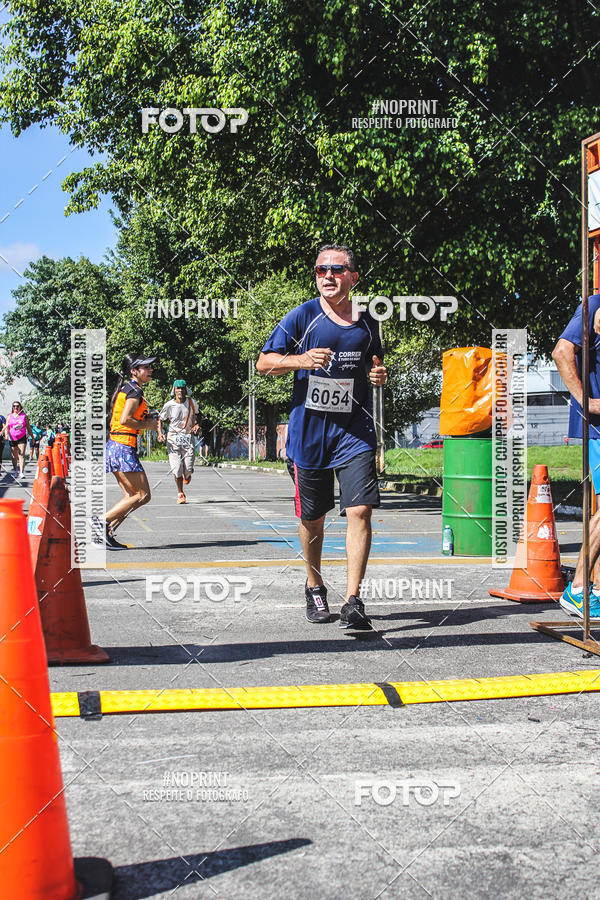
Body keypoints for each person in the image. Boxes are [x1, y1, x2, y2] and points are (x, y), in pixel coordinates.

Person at [256, 243, 387, 627]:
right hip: (310, 433)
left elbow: (374, 365)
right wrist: (300, 359)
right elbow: (264, 363)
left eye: (337, 269)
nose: (328, 275)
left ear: (353, 277)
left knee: (360, 510)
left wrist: (379, 375)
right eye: (320, 269)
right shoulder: (302, 316)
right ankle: (314, 586)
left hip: (354, 431)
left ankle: (353, 600)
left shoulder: (368, 321)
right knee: (313, 520)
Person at [553, 297, 600, 617]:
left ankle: (593, 591)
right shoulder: (594, 306)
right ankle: (579, 589)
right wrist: (586, 401)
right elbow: (561, 352)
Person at [95, 353, 158, 550]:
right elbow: (125, 419)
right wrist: (147, 425)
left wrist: (147, 418)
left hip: (117, 445)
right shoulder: (134, 391)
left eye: (150, 367)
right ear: (134, 371)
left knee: (134, 496)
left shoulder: (129, 388)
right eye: (145, 367)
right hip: (122, 447)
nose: (150, 370)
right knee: (141, 495)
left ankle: (105, 532)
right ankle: (100, 522)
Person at [157, 379, 201, 503]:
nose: (180, 390)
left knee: (188, 470)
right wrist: (160, 433)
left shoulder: (192, 402)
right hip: (173, 439)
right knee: (176, 469)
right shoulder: (169, 405)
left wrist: (197, 425)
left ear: (186, 390)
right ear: (174, 390)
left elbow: (199, 415)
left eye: (182, 388)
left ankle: (187, 474)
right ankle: (180, 493)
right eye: (178, 388)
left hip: (188, 438)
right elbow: (160, 419)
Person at [2, 401, 33, 479]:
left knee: (21, 454)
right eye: (14, 406)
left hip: (22, 437)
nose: (16, 408)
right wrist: (6, 435)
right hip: (12, 438)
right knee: (14, 456)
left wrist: (32, 437)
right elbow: (7, 427)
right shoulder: (9, 416)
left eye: (17, 406)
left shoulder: (24, 416)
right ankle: (15, 471)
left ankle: (21, 472)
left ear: (20, 407)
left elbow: (28, 427)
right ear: (12, 408)